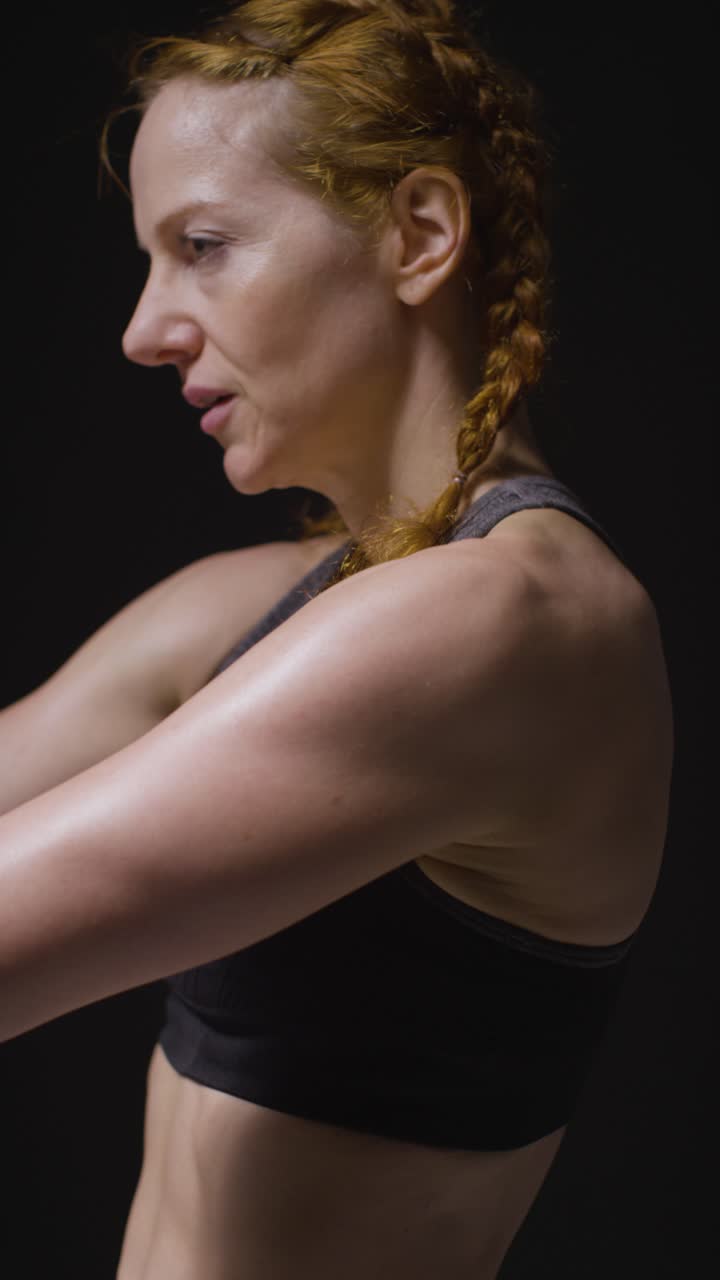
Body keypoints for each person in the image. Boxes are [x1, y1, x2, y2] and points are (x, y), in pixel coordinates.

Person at [0, 2, 674, 1278]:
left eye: (203, 245)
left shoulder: (506, 624)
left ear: (419, 234)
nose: (145, 329)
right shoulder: (251, 605)